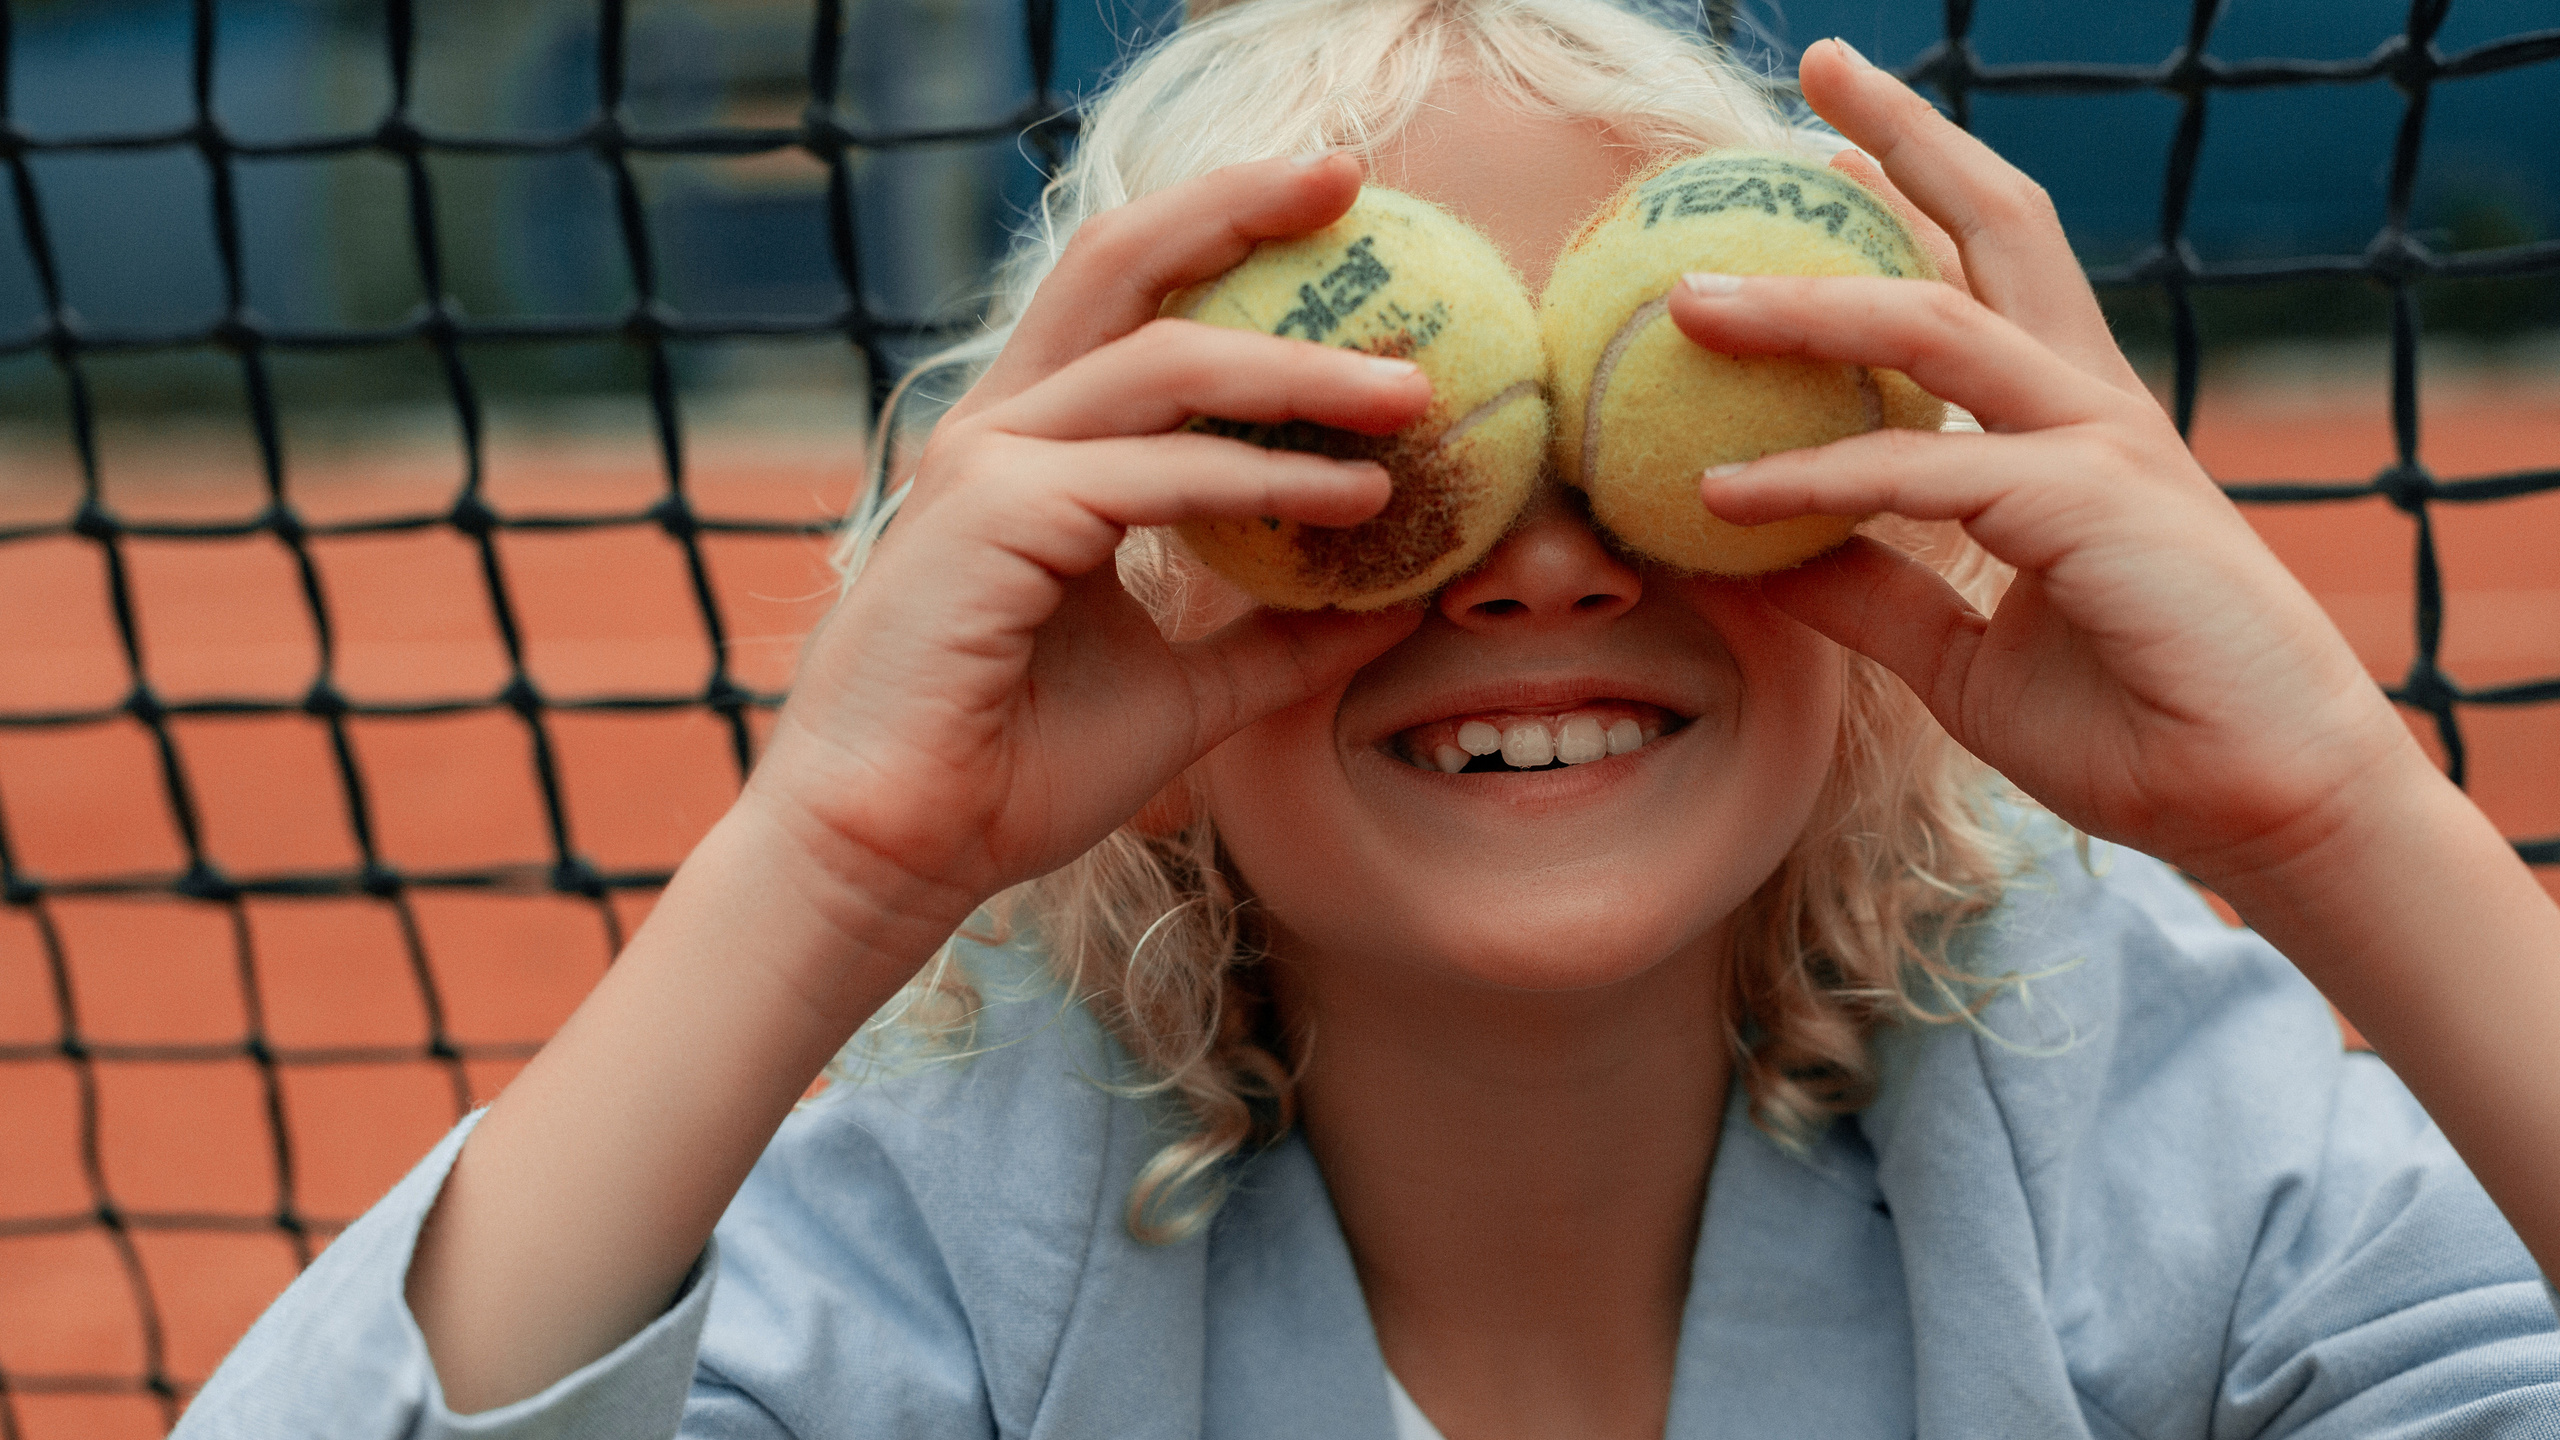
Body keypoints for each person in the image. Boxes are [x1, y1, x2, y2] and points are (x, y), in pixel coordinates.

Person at [177, 1, 2560, 1435]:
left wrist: (2332, 808)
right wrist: (830, 860)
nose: (1534, 555)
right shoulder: (946, 1267)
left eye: (1680, 440)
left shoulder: (2156, 1155)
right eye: (1355, 444)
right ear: (1130, 580)